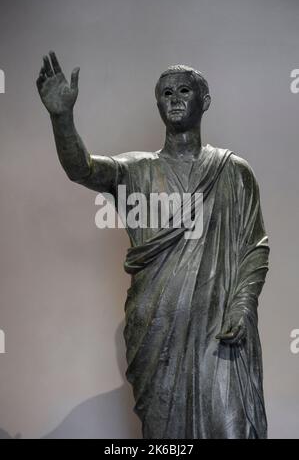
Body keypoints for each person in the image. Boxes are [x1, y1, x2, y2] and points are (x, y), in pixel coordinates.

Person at [37, 52, 270, 439]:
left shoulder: (233, 172)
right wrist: (62, 118)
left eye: (184, 90)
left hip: (219, 329)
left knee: (232, 429)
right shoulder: (137, 169)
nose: (174, 98)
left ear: (204, 101)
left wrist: (242, 304)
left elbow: (255, 246)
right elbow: (83, 168)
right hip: (156, 330)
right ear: (158, 103)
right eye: (166, 93)